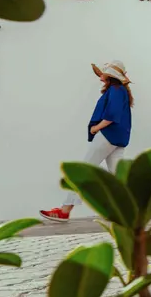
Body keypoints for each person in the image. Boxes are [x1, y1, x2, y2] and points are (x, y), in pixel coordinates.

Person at [40, 61, 133, 223]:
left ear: (110, 76)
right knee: (118, 176)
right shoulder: (120, 91)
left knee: (83, 170)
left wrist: (96, 128)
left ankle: (65, 210)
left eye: (102, 74)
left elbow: (112, 115)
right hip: (118, 138)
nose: (100, 77)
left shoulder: (116, 90)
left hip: (108, 135)